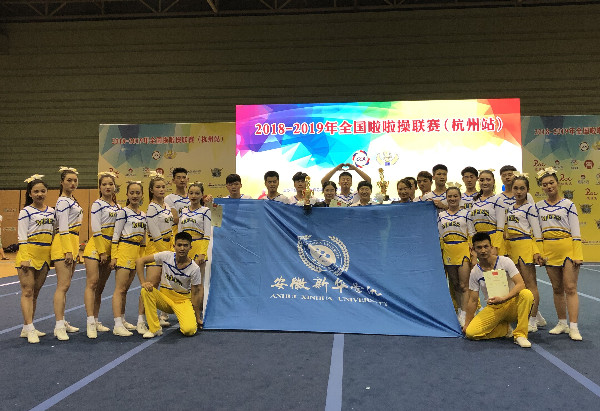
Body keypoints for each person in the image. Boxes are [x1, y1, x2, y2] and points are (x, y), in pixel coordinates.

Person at [536, 167, 584, 341]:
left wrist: (577, 254)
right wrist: (540, 252)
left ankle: (574, 326)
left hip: (568, 250)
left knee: (570, 288)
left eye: (551, 183)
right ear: (541, 187)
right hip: (549, 251)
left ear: (557, 183)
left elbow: (576, 231)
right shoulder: (538, 207)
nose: (549, 186)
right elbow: (537, 233)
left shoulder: (568, 205)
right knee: (557, 289)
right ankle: (562, 323)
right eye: (545, 184)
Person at [464, 232, 534, 348]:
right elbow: (473, 300)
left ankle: (520, 335)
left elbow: (521, 284)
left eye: (486, 246)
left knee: (526, 294)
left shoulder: (505, 261)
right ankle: (504, 329)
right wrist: (467, 324)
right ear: (473, 250)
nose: (483, 250)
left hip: (512, 304)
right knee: (471, 333)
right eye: (479, 248)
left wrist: (504, 298)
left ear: (491, 247)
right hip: (494, 307)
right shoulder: (475, 272)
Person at [136, 232, 202, 338]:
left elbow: (195, 295)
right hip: (165, 299)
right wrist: (143, 282)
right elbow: (140, 261)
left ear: (190, 247)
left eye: (185, 245)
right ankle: (155, 329)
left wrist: (197, 317)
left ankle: (188, 320)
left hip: (182, 301)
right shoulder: (166, 256)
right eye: (179, 245)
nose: (182, 248)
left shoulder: (194, 269)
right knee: (146, 290)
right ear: (174, 246)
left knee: (189, 330)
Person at [16, 175, 54, 343]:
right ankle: (30, 328)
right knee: (27, 292)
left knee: (35, 293)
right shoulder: (25, 212)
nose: (40, 194)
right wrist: (24, 257)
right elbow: (22, 236)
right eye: (36, 191)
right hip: (29, 254)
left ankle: (27, 327)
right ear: (30, 193)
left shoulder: (52, 211)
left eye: (42, 191)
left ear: (47, 192)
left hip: (45, 254)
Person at [82, 172, 120, 338]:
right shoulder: (97, 204)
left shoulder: (118, 207)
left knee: (100, 287)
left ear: (115, 187)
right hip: (96, 247)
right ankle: (90, 322)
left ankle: (96, 320)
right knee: (92, 283)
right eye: (104, 184)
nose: (107, 187)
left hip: (111, 248)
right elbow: (96, 229)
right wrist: (102, 251)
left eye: (110, 184)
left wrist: (114, 253)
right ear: (99, 187)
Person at [505, 175, 546, 332]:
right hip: (512, 248)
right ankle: (535, 315)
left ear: (528, 190)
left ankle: (533, 320)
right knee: (518, 284)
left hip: (525, 246)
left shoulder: (531, 208)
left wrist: (537, 251)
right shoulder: (510, 208)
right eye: (516, 188)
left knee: (530, 284)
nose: (519, 191)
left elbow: (536, 232)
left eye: (522, 188)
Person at [110, 181, 147, 337]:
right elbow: (116, 234)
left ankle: (123, 319)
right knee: (119, 289)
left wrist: (142, 257)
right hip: (125, 250)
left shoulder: (143, 215)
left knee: (125, 290)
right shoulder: (123, 212)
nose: (135, 196)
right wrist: (114, 256)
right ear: (127, 195)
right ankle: (117, 324)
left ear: (142, 195)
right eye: (132, 193)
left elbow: (144, 239)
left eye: (138, 193)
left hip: (137, 252)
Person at [51, 167, 83, 341]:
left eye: (75, 180)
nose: (72, 183)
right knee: (62, 286)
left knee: (66, 286)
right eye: (69, 180)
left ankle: (62, 321)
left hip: (73, 241)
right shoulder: (63, 201)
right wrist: (67, 250)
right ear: (61, 182)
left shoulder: (72, 200)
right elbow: (62, 226)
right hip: (64, 243)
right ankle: (58, 325)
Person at [437, 186, 475, 326]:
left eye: (455, 196)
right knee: (455, 284)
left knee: (464, 285)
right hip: (448, 251)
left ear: (460, 198)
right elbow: (440, 236)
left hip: (463, 250)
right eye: (450, 196)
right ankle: (459, 310)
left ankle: (465, 313)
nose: (452, 199)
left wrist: (474, 255)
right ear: (446, 198)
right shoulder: (441, 216)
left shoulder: (466, 214)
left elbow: (472, 234)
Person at [144, 173, 175, 329]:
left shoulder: (166, 206)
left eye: (163, 187)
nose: (161, 189)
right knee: (151, 284)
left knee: (165, 283)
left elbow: (170, 228)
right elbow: (156, 234)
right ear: (151, 190)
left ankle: (161, 314)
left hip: (168, 246)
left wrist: (172, 248)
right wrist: (167, 255)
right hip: (156, 248)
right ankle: (142, 319)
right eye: (158, 187)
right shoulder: (152, 208)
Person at [178, 182, 211, 325]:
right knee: (184, 281)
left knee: (198, 283)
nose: (194, 196)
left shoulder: (205, 211)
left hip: (199, 247)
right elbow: (179, 232)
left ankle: (198, 313)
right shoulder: (184, 211)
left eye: (197, 193)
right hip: (185, 249)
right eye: (191, 193)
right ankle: (186, 312)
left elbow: (207, 234)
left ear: (201, 195)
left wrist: (203, 253)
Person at [470, 170, 506, 256]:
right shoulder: (475, 200)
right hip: (479, 241)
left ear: (493, 181)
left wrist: (496, 247)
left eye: (488, 180)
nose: (485, 183)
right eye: (482, 180)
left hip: (493, 241)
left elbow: (500, 227)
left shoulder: (498, 200)